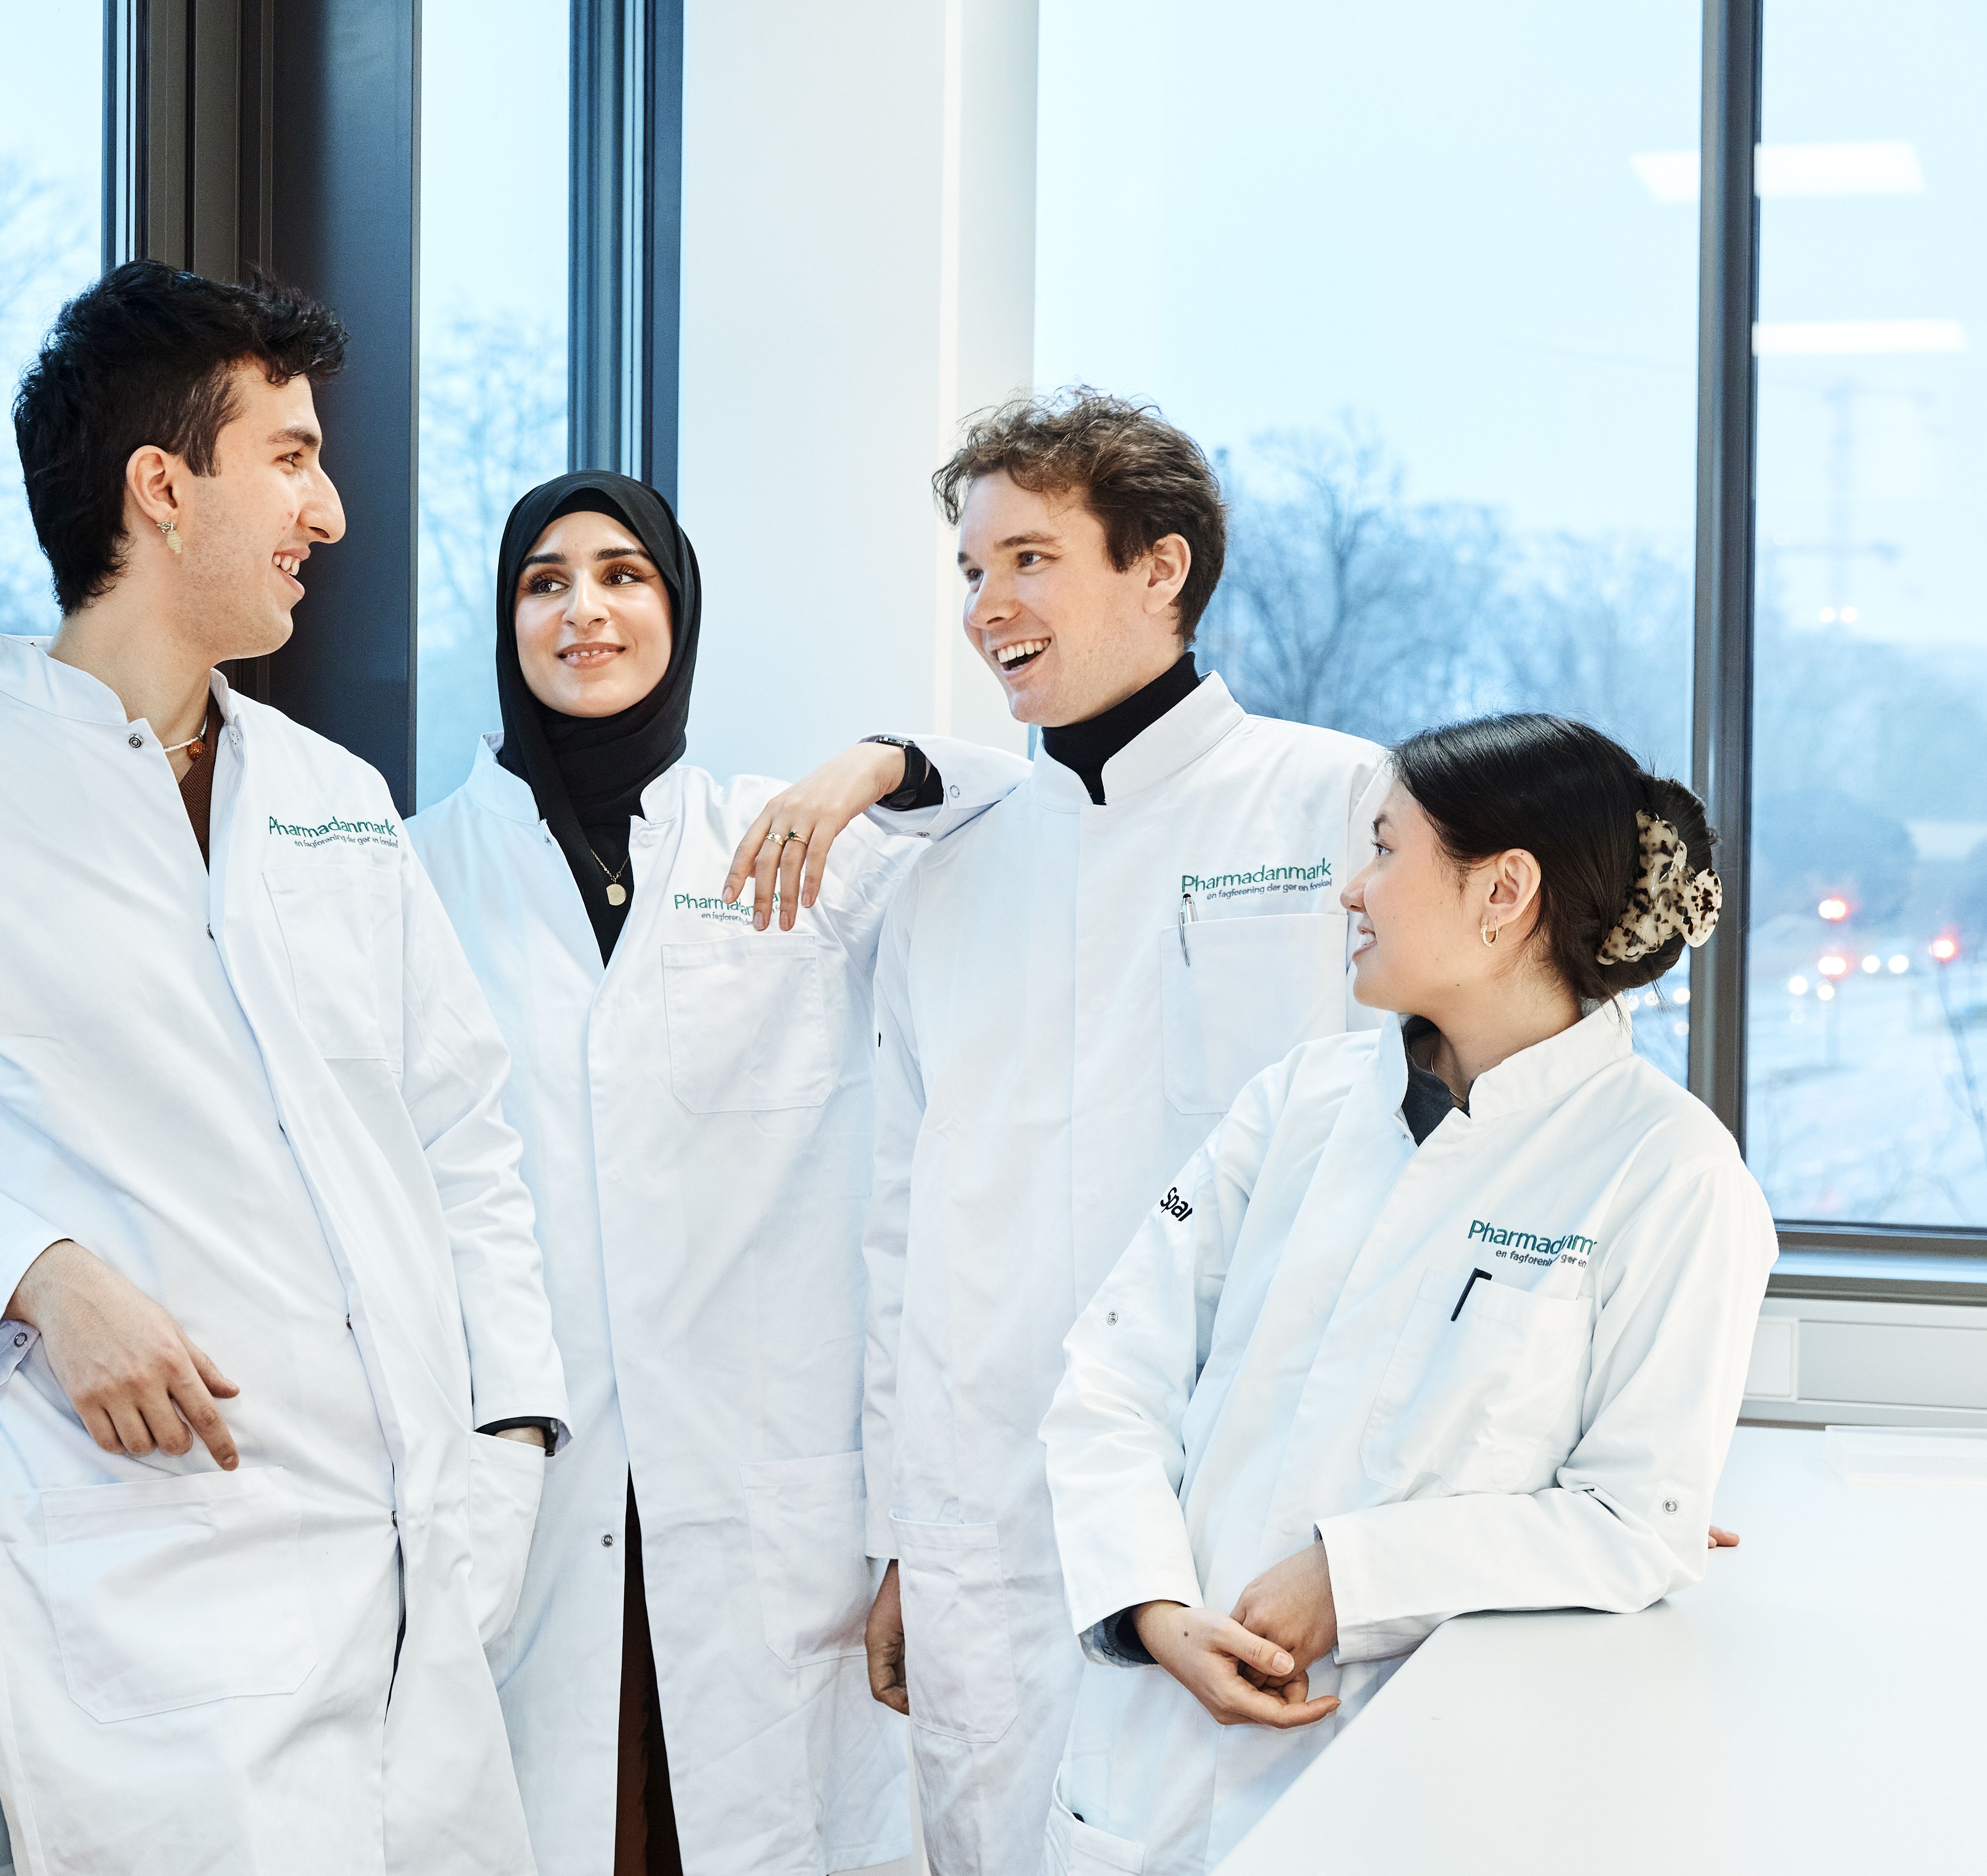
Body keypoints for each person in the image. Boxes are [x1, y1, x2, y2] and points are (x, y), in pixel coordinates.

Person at [0, 261, 566, 1876]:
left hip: (425, 1574)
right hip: (163, 1588)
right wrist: (38, 1272)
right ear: (163, 489)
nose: (334, 509)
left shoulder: (333, 794)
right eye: (291, 456)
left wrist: (511, 1438)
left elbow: (463, 1138)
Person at [407, 470, 1026, 1876]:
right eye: (544, 582)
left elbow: (1021, 816)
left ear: (677, 611)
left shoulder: (791, 841)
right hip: (535, 1477)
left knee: (751, 1825)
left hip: (759, 1487)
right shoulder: (423, 867)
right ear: (506, 622)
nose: (585, 611)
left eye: (623, 575)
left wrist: (875, 760)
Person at [1039, 714, 1776, 1872]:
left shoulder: (1672, 1175)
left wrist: (1353, 1577)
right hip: (1153, 1765)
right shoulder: (1298, 1101)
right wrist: (1150, 1607)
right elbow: (1115, 1367)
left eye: (1387, 850)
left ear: (1505, 892)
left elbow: (1637, 1522)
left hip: (1416, 1781)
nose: (1353, 891)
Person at [858, 391, 1390, 1876]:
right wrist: (907, 1533)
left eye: (1028, 559)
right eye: (970, 572)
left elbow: (1445, 1155)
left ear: (1161, 568)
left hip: (1239, 1506)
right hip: (989, 1510)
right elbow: (898, 1224)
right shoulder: (953, 876)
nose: (988, 606)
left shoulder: (1336, 806)